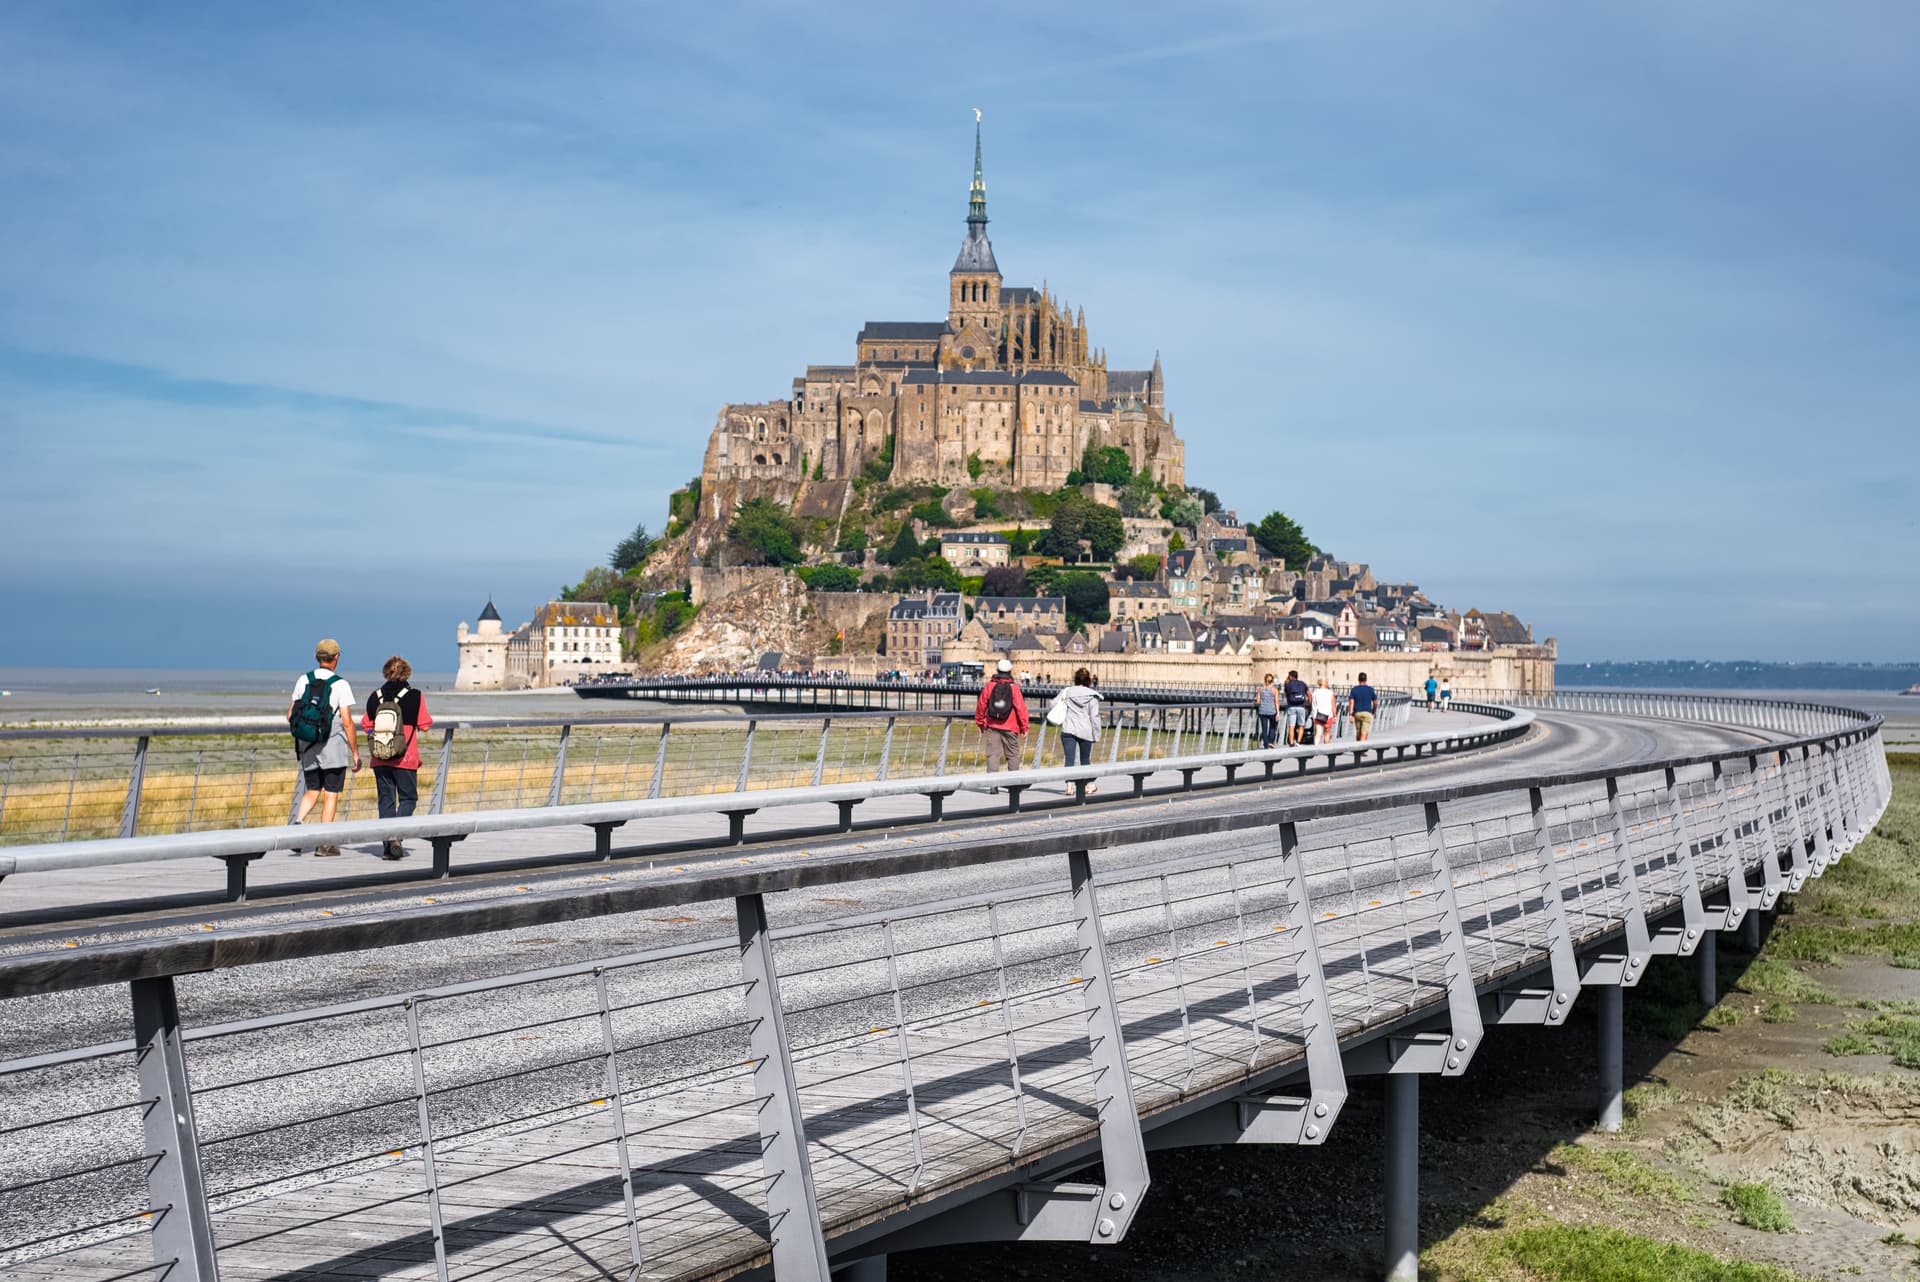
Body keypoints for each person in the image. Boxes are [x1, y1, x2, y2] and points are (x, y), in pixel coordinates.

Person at [287, 638, 360, 856]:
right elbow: (347, 721)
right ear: (336, 658)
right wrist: (355, 752)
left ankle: (298, 825)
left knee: (312, 789)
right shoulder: (340, 684)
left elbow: (290, 714)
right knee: (331, 792)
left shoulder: (303, 680)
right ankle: (324, 843)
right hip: (333, 746)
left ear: (317, 657)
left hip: (308, 744)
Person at [361, 655, 433, 861]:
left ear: (386, 672)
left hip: (380, 757)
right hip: (405, 757)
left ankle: (388, 846)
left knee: (386, 801)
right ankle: (396, 838)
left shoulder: (375, 696)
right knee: (409, 798)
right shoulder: (415, 695)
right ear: (407, 673)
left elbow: (366, 724)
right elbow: (425, 723)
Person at [974, 658, 1029, 791]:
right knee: (1012, 755)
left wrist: (980, 721)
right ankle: (1013, 786)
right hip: (1011, 726)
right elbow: (1021, 708)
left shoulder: (990, 685)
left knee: (993, 755)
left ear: (997, 670)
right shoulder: (1013, 687)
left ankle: (993, 785)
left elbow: (982, 704)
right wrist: (1024, 727)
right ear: (1010, 671)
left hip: (993, 725)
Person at [1053, 667, 1103, 793]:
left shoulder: (1067, 692)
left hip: (1068, 728)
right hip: (1085, 730)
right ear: (1088, 681)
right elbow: (1094, 717)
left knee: (1069, 759)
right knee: (1085, 759)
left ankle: (1069, 786)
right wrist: (1096, 734)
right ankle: (1088, 785)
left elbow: (1053, 704)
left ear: (1075, 679)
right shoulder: (1092, 696)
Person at [1283, 669, 1311, 745]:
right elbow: (1309, 694)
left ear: (1290, 676)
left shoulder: (1288, 684)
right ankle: (1298, 742)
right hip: (1301, 706)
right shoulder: (1302, 684)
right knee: (1301, 725)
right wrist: (1309, 704)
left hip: (1291, 707)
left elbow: (1286, 695)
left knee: (1291, 726)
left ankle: (1291, 742)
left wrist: (1286, 681)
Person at [1349, 671, 1378, 742]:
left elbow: (1351, 702)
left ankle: (1359, 750)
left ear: (1358, 679)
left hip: (1357, 713)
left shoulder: (1354, 690)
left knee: (1358, 733)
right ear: (1366, 679)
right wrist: (1374, 711)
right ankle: (1361, 751)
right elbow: (1375, 702)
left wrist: (1350, 714)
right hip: (1367, 713)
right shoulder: (1370, 689)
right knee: (1364, 732)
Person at [1255, 673, 1280, 749]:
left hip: (1262, 711)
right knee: (1273, 727)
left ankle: (1266, 745)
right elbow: (1276, 701)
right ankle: (1270, 742)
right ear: (1272, 681)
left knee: (1264, 729)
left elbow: (1258, 701)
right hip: (1272, 711)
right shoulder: (1275, 689)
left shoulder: (1260, 689)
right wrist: (1278, 713)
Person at [1310, 676, 1336, 744]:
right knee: (1327, 734)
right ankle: (1326, 750)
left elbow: (1313, 705)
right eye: (1327, 681)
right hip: (1328, 715)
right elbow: (1333, 705)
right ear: (1323, 683)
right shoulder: (1330, 692)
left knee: (1318, 734)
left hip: (1318, 715)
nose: (1328, 683)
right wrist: (1334, 716)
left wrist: (1313, 715)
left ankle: (1316, 749)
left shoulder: (1315, 693)